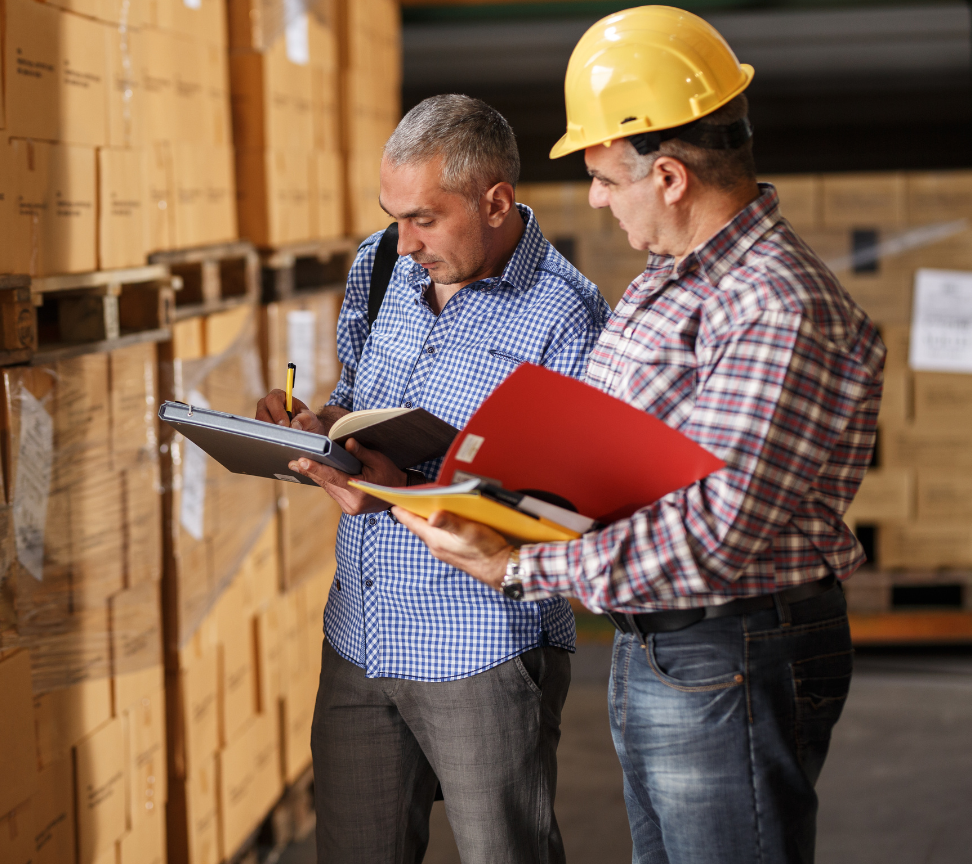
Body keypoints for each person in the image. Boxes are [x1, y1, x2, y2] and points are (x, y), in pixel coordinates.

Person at [394, 8, 885, 864]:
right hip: (662, 641)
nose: (591, 197)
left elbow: (715, 534)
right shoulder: (671, 282)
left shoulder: (772, 306)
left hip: (729, 644)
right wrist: (473, 491)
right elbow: (608, 454)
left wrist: (520, 565)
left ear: (668, 177)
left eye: (603, 177)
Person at [255, 95, 609, 863]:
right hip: (360, 637)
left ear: (496, 202)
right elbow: (354, 392)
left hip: (481, 650)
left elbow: (563, 512)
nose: (404, 240)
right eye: (393, 215)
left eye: (424, 219)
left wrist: (405, 483)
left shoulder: (567, 317)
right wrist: (322, 439)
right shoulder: (378, 263)